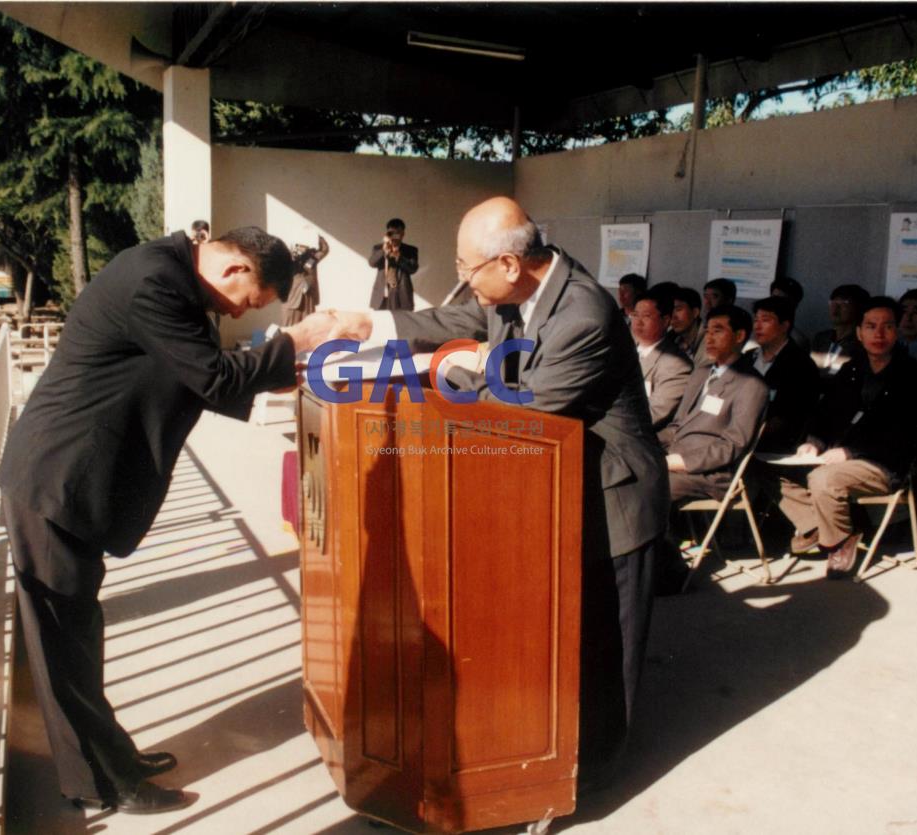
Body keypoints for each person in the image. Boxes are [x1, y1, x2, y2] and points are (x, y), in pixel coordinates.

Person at [328, 196, 668, 789]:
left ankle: (596, 778)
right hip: (560, 487)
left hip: (614, 497)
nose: (461, 282)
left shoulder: (581, 313)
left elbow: (527, 408)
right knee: (566, 636)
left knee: (606, 647)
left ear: (510, 265)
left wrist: (452, 380)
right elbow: (458, 323)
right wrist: (369, 325)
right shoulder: (521, 288)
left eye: (466, 269)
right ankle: (554, 752)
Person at [0, 226, 336, 814]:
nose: (241, 312)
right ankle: (101, 784)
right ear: (234, 269)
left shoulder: (173, 275)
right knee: (63, 647)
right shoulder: (154, 281)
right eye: (250, 301)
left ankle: (115, 756)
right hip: (56, 479)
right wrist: (298, 340)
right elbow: (213, 376)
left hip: (74, 479)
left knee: (81, 635)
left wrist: (289, 368)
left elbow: (200, 376)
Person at [774, 297, 917, 579]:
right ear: (859, 332)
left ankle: (837, 541)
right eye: (871, 326)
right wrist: (813, 441)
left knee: (823, 479)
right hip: (836, 457)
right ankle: (815, 525)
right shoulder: (851, 370)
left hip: (883, 464)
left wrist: (850, 453)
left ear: (897, 332)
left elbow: (906, 433)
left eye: (887, 327)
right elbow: (825, 415)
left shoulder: (912, 375)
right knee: (767, 465)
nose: (879, 334)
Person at [662, 305, 769, 501]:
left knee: (647, 485)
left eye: (718, 331)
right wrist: (644, 445)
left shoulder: (752, 385)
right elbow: (677, 425)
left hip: (710, 474)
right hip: (673, 459)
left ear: (739, 336)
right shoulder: (701, 372)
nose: (709, 339)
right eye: (707, 331)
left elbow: (733, 445)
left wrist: (681, 461)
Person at [745, 296, 820, 453]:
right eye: (756, 320)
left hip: (773, 442)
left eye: (765, 320)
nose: (757, 326)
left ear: (785, 325)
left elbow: (789, 417)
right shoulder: (747, 357)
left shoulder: (801, 364)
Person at [630, 291, 691, 434]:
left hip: (641, 436)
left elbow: (652, 415)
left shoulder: (676, 365)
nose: (638, 322)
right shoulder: (621, 349)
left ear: (665, 321)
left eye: (646, 316)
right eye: (635, 315)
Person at [810, 283, 870, 376]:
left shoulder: (863, 343)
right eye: (832, 302)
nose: (835, 308)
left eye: (843, 303)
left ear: (858, 308)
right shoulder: (821, 338)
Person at [368, 217, 419, 311]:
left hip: (401, 294)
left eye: (397, 233)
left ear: (403, 234)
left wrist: (398, 256)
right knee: (381, 323)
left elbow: (413, 269)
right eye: (391, 233)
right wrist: (384, 250)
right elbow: (372, 263)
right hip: (382, 295)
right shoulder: (378, 248)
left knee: (401, 323)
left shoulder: (411, 250)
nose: (394, 236)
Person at [281, 234, 330, 326]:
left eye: (304, 246)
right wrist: (293, 257)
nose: (302, 249)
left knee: (309, 326)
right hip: (292, 299)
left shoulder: (311, 258)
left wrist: (317, 235)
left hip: (308, 297)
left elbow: (324, 250)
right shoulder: (288, 259)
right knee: (289, 327)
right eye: (300, 246)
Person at [670, 286, 708, 368]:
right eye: (670, 310)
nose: (673, 316)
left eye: (678, 309)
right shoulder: (670, 337)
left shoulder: (709, 340)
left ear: (695, 312)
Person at [769, 276, 810, 350]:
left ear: (795, 305)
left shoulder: (798, 340)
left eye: (783, 300)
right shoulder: (757, 330)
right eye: (774, 298)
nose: (776, 304)